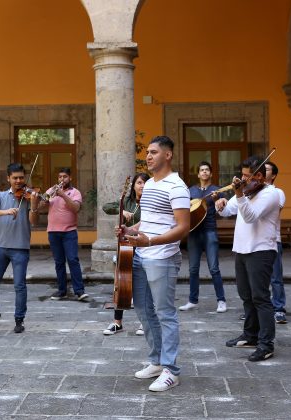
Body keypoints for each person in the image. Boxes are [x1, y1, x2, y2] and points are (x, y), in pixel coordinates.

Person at [118, 136, 190, 392]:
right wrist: (131, 229)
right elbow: (147, 221)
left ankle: (171, 370)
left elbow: (183, 227)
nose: (148, 156)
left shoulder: (177, 187)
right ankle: (157, 360)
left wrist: (151, 242)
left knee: (165, 313)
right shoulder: (148, 185)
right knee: (143, 310)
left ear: (168, 155)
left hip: (163, 257)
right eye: (147, 152)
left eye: (154, 152)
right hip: (140, 255)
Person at [215, 156, 279, 362]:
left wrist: (238, 193)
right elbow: (228, 211)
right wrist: (221, 204)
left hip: (261, 250)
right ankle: (250, 335)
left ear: (259, 176)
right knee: (246, 295)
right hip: (242, 250)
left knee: (260, 297)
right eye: (241, 174)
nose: (242, 179)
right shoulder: (246, 191)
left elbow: (251, 216)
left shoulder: (271, 194)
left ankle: (266, 344)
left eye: (246, 176)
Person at [0, 163, 40, 334]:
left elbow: (34, 221)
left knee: (19, 285)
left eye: (21, 177)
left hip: (20, 248)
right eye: (15, 178)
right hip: (0, 247)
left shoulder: (29, 197)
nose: (19, 181)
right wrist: (4, 212)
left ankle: (19, 319)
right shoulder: (1, 196)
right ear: (8, 178)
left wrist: (34, 205)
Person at [102, 172, 150, 336]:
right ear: (134, 186)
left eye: (144, 183)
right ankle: (117, 323)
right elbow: (106, 207)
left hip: (144, 246)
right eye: (139, 183)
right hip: (126, 245)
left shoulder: (151, 203)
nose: (142, 186)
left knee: (142, 285)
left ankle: (144, 322)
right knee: (121, 283)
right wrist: (122, 211)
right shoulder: (127, 201)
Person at [179, 161, 227, 313]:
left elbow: (223, 208)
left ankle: (221, 301)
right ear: (198, 174)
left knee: (214, 268)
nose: (204, 172)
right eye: (202, 170)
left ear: (211, 174)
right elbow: (184, 210)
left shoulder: (217, 190)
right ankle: (192, 300)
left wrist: (218, 201)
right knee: (193, 269)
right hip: (194, 232)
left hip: (209, 231)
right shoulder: (191, 190)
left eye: (207, 170)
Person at [40, 168, 88, 301]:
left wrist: (63, 195)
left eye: (65, 177)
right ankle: (62, 291)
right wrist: (44, 201)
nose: (62, 179)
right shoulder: (51, 190)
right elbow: (41, 206)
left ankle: (79, 291)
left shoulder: (75, 192)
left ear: (70, 178)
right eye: (60, 177)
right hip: (53, 231)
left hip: (69, 232)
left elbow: (76, 208)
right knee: (59, 262)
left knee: (73, 260)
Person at [264, 162, 287, 324]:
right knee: (258, 280)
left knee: (276, 278)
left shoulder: (278, 192)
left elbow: (270, 214)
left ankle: (279, 308)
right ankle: (260, 309)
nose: (263, 172)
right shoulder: (252, 192)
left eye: (266, 170)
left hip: (273, 240)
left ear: (273, 175)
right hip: (256, 242)